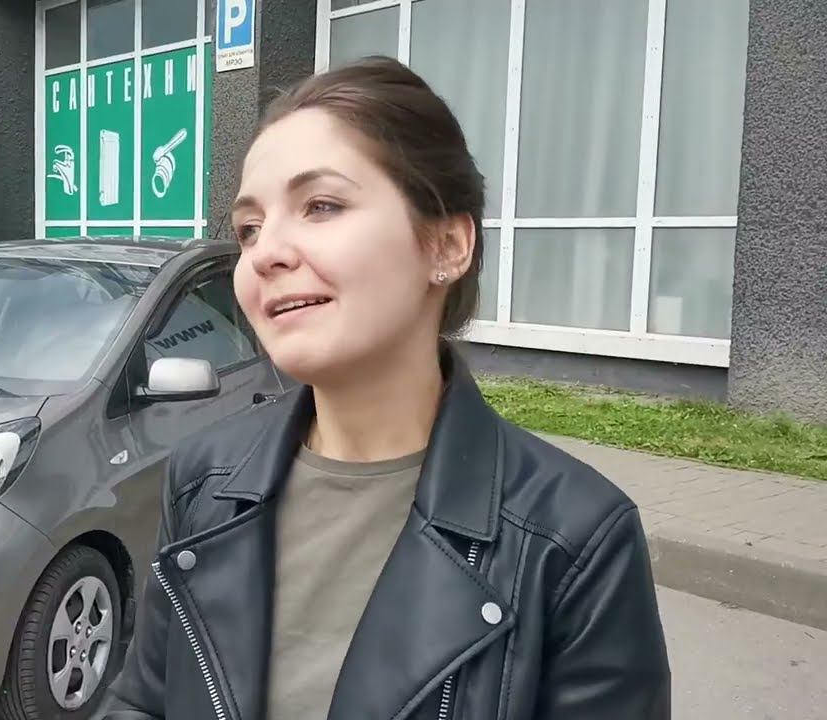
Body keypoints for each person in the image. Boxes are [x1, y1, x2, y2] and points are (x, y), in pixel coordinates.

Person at [92, 56, 670, 720]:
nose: (265, 252)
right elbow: (143, 701)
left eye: (321, 205)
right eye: (249, 228)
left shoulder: (574, 538)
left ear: (446, 245)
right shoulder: (204, 478)